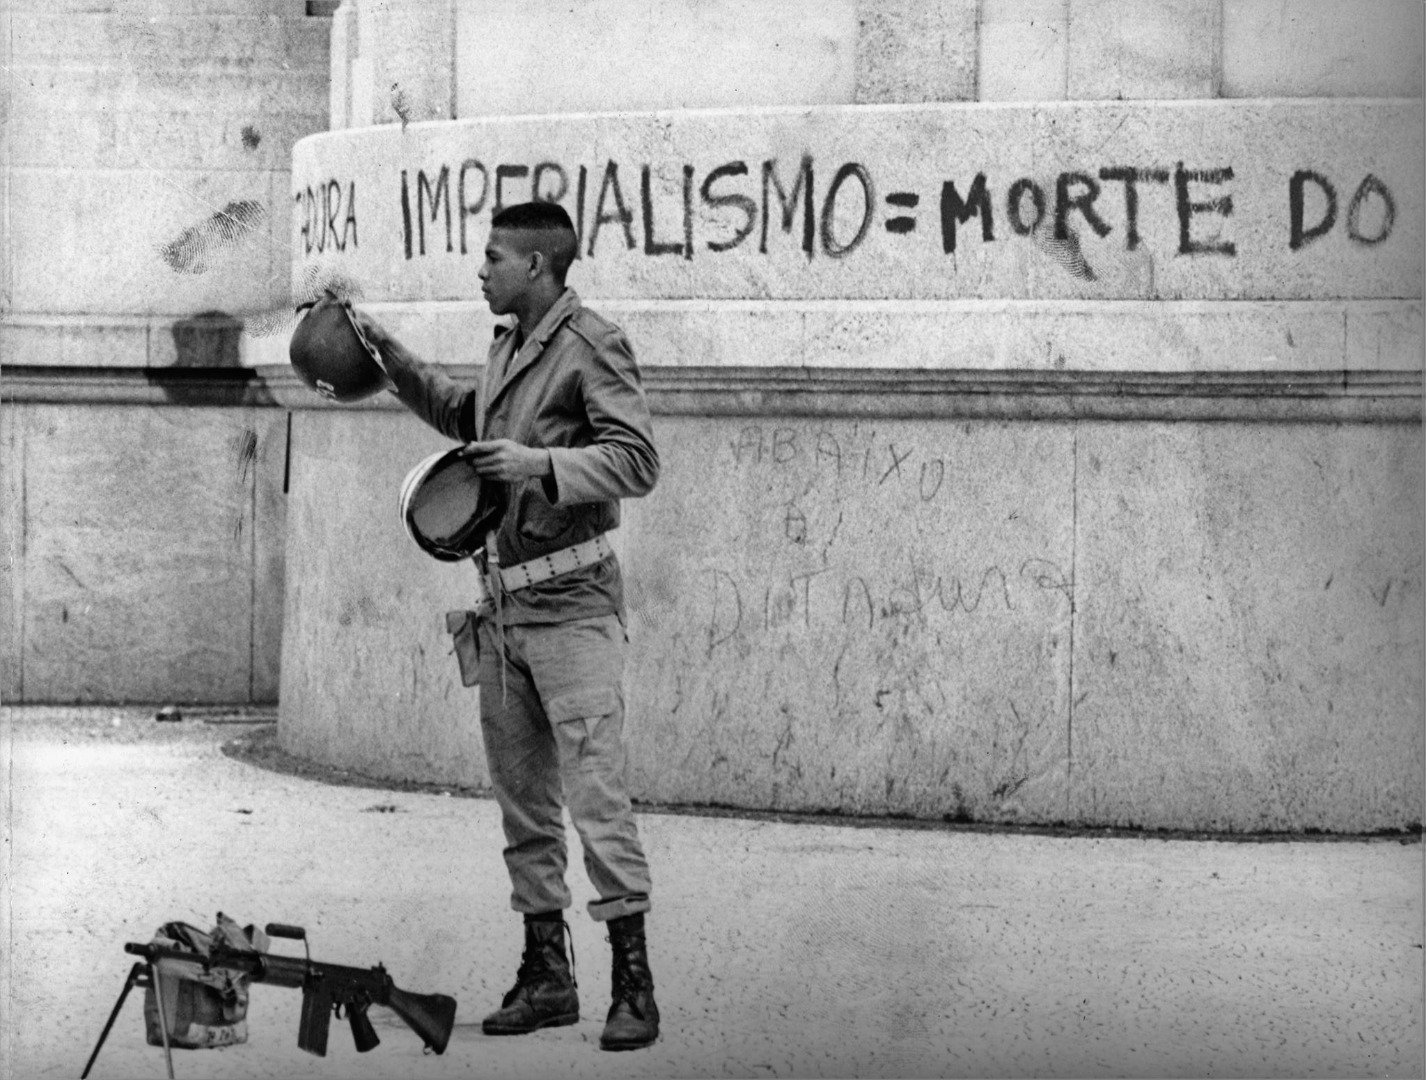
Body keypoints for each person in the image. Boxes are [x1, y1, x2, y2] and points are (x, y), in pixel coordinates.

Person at [353, 201, 661, 1052]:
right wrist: (387, 357)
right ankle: (547, 977)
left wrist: (540, 466)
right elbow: (466, 417)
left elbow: (637, 460)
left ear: (537, 264)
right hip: (504, 607)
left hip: (573, 606)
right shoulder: (505, 349)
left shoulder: (592, 344)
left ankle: (632, 984)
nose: (479, 270)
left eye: (492, 257)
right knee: (524, 807)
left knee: (597, 802)